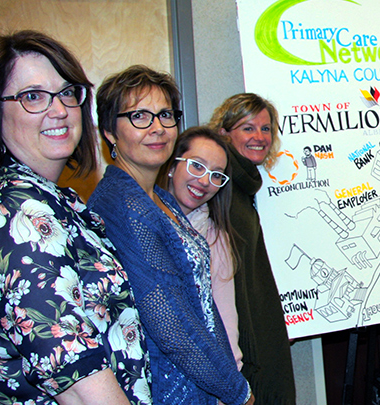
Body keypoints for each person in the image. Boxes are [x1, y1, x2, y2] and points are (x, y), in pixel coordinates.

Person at [0, 30, 151, 404]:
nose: (59, 110)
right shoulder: (16, 207)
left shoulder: (59, 199)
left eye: (66, 92)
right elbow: (76, 381)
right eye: (32, 96)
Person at [87, 66, 252, 405]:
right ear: (109, 131)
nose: (158, 128)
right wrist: (237, 392)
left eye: (165, 115)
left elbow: (201, 303)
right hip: (169, 390)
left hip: (202, 383)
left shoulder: (159, 198)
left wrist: (228, 380)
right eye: (139, 117)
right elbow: (171, 325)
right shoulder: (122, 206)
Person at [209, 93, 296, 404]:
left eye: (265, 128)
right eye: (247, 128)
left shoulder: (243, 184)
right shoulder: (219, 187)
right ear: (223, 132)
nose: (259, 137)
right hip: (243, 350)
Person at [161, 126, 243, 372]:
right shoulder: (142, 221)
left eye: (217, 175)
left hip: (201, 373)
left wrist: (234, 378)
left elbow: (226, 318)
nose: (205, 181)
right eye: (196, 166)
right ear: (172, 166)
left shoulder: (216, 238)